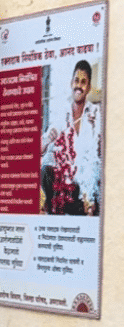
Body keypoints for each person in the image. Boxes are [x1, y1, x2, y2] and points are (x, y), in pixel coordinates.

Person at [40, 60, 102, 216]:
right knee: (45, 171)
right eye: (76, 80)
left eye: (83, 82)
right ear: (71, 83)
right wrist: (48, 140)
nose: (78, 86)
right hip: (65, 185)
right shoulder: (62, 114)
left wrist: (97, 131)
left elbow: (101, 152)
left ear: (88, 87)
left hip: (86, 188)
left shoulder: (95, 112)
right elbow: (43, 145)